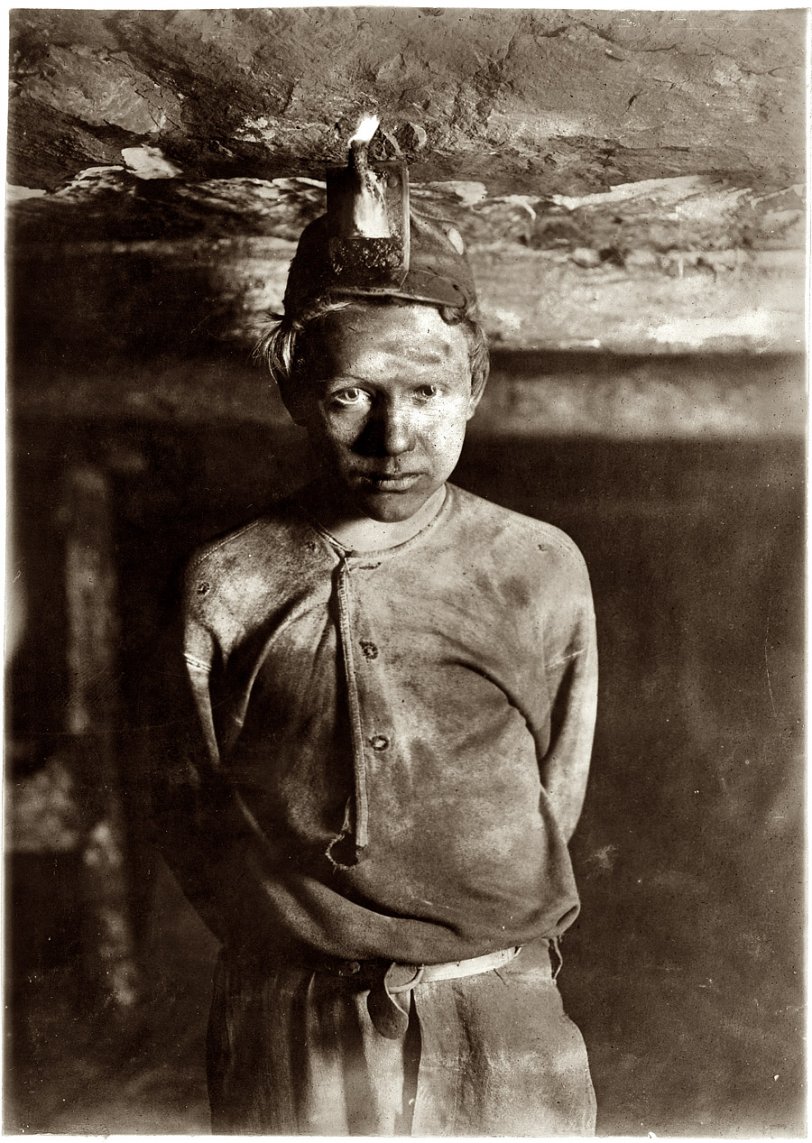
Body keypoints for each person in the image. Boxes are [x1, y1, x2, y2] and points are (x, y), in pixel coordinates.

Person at [154, 137, 598, 1135]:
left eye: (426, 392)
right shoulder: (230, 579)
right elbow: (193, 804)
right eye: (351, 394)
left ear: (474, 382)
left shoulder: (535, 565)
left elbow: (552, 795)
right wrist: (305, 949)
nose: (390, 437)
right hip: (291, 1014)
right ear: (294, 386)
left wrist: (456, 942)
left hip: (492, 1006)